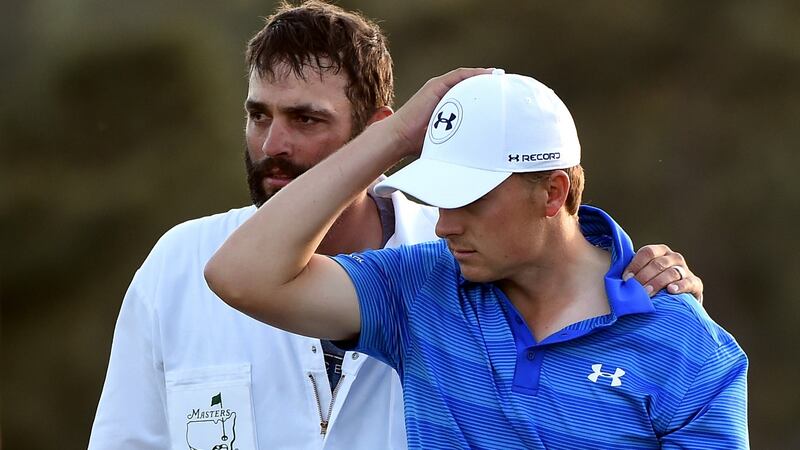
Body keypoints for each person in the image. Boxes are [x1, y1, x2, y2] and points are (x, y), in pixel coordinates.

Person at [89, 2, 704, 449]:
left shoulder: (447, 276)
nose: (271, 144)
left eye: (306, 120)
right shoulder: (178, 263)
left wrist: (660, 308)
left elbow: (569, 274)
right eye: (258, 115)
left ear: (376, 130)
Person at [205, 68, 748, 449]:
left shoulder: (690, 351)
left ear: (553, 193)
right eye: (441, 198)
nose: (444, 224)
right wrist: (392, 135)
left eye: (470, 200)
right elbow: (240, 276)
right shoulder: (418, 286)